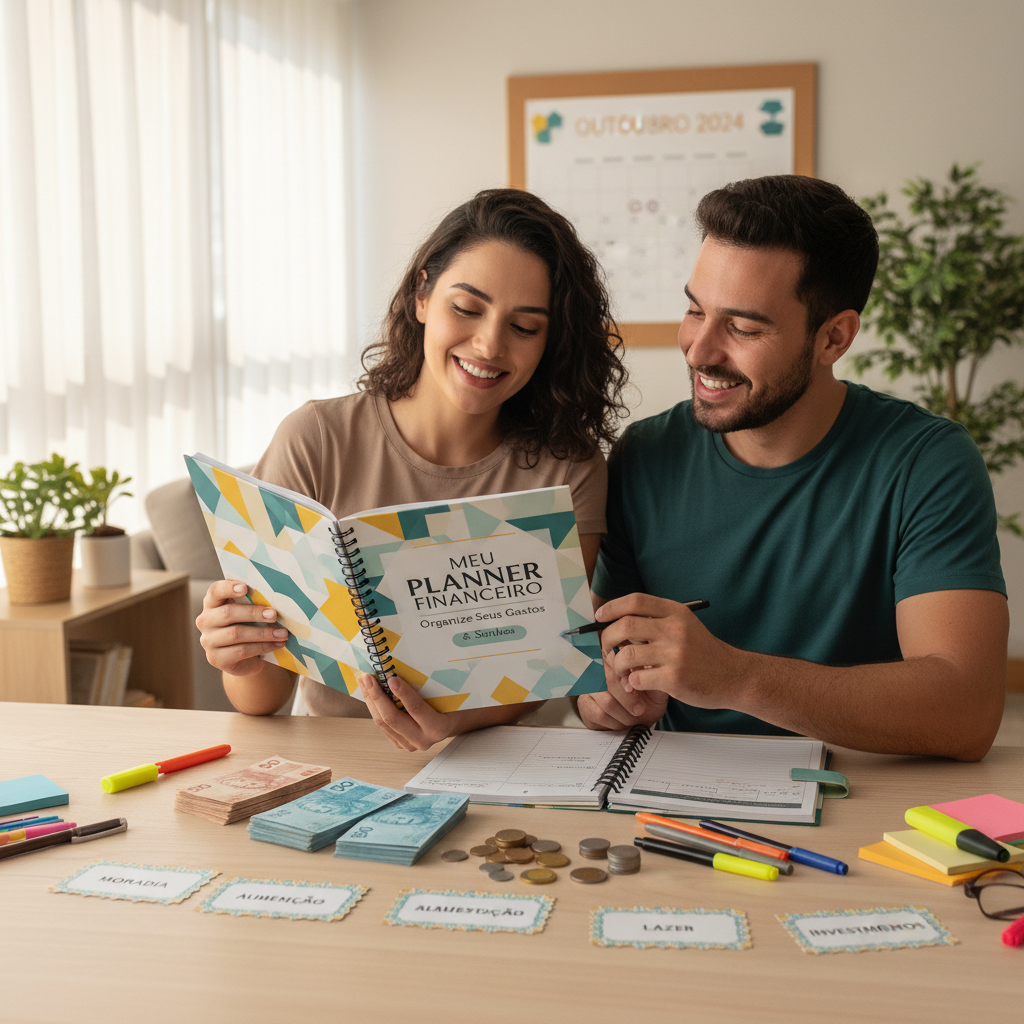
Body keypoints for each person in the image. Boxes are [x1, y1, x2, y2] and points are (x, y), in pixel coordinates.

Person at [580, 174, 1007, 761]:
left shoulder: (927, 462)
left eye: (743, 327)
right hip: (680, 797)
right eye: (694, 309)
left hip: (863, 796)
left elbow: (967, 711)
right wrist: (604, 695)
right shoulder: (642, 456)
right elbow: (601, 657)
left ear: (834, 338)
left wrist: (734, 676)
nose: (699, 350)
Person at [197, 188, 627, 750]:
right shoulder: (316, 440)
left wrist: (455, 724)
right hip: (339, 761)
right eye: (467, 309)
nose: (489, 344)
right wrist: (238, 656)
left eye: (525, 327)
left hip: (503, 762)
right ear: (422, 295)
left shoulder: (569, 469)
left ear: (550, 341)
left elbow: (542, 669)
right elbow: (262, 699)